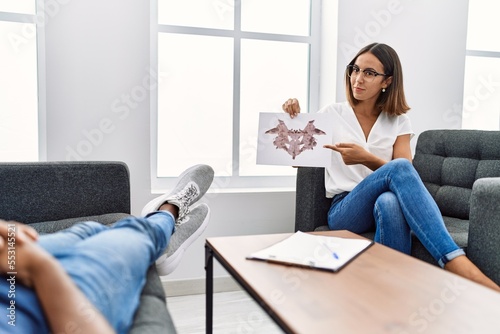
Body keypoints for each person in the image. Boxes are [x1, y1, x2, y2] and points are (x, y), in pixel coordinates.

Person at [282, 42, 500, 292]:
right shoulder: (332, 113)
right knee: (398, 169)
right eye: (355, 69)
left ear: (387, 81)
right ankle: (452, 260)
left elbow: (403, 170)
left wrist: (366, 158)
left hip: (383, 205)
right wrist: (293, 121)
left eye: (369, 73)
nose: (358, 78)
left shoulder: (397, 121)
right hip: (345, 209)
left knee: (389, 201)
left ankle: (389, 290)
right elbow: (300, 161)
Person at [0, 164, 215, 333]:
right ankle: (169, 212)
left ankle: (165, 231)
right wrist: (41, 268)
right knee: (135, 234)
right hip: (34, 305)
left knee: (89, 230)